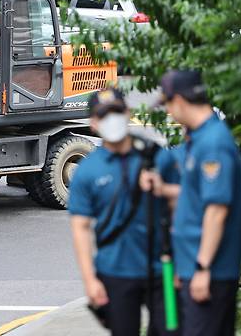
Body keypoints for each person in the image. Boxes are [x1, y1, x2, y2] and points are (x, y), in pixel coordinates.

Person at [141, 70, 241, 336]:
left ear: (178, 100)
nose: (168, 111)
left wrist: (202, 268)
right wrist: (164, 188)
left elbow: (216, 210)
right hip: (196, 265)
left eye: (167, 104)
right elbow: (197, 198)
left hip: (211, 270)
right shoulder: (199, 139)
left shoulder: (213, 143)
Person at [68, 87, 175, 336]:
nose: (112, 120)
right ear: (93, 123)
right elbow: (80, 229)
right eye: (104, 115)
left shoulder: (156, 157)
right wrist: (90, 281)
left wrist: (164, 188)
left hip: (164, 270)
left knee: (172, 329)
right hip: (115, 272)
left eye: (116, 112)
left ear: (128, 114)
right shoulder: (87, 170)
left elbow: (183, 206)